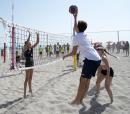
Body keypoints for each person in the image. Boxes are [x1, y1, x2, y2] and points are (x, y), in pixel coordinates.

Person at [63, 11, 101, 105]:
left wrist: (65, 55)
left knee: (82, 80)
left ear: (77, 28)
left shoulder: (76, 37)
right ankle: (82, 97)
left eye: (76, 26)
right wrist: (75, 17)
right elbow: (76, 26)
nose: (74, 27)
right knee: (87, 79)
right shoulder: (85, 34)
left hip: (91, 60)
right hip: (97, 59)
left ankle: (77, 100)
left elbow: (74, 52)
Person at [24, 32, 39, 98]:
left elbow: (37, 42)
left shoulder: (31, 48)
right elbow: (27, 41)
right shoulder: (25, 49)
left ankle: (30, 90)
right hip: (27, 65)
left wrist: (37, 35)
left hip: (32, 64)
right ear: (27, 45)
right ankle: (24, 94)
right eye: (29, 43)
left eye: (30, 43)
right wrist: (29, 35)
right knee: (26, 79)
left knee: (30, 78)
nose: (30, 44)